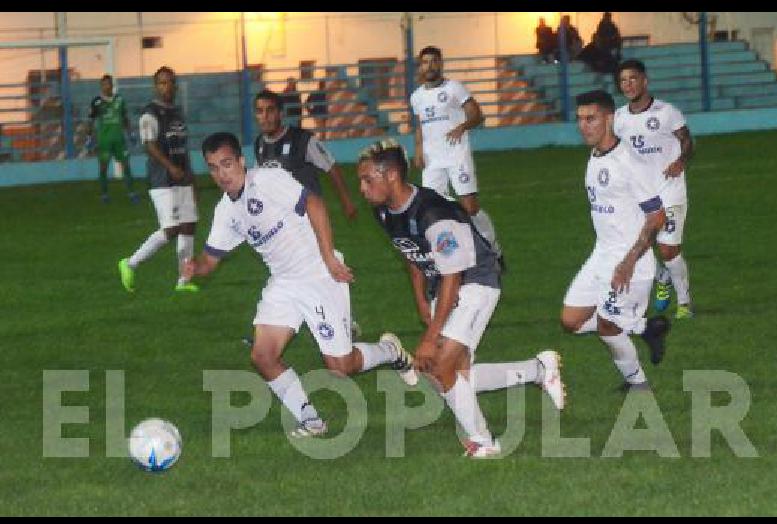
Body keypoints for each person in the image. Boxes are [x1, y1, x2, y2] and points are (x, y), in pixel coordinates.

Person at [182, 132, 417, 437]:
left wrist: (329, 259)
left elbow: (315, 205)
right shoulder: (226, 211)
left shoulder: (267, 180)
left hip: (318, 273)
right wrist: (194, 267)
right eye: (213, 167)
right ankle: (312, 420)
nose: (221, 174)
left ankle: (389, 351)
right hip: (284, 282)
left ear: (241, 161)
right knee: (262, 356)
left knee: (340, 368)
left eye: (227, 164)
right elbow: (210, 261)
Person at [357, 138, 565, 458]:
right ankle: (539, 370)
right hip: (445, 282)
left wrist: (431, 336)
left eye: (367, 180)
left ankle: (484, 442)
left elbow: (454, 276)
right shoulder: (384, 212)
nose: (362, 188)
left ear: (392, 176)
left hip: (475, 279)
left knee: (439, 365)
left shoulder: (433, 214)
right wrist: (423, 305)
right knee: (448, 376)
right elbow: (411, 258)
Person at [561, 90, 671, 391]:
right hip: (602, 253)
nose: (584, 126)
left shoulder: (630, 162)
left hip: (630, 260)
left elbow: (657, 217)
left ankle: (637, 383)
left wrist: (628, 261)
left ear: (610, 119)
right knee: (571, 321)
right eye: (580, 119)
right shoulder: (595, 156)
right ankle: (644, 327)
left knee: (608, 327)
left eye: (591, 119)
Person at [614, 59, 695, 319]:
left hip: (669, 190)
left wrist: (680, 161)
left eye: (633, 78)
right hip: (640, 196)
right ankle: (663, 276)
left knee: (669, 249)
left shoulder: (666, 112)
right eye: (623, 80)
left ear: (644, 81)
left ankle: (684, 303)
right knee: (642, 246)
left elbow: (687, 140)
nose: (628, 84)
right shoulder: (618, 119)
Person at [410, 45, 504, 267]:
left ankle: (493, 248)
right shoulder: (417, 96)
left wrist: (463, 126)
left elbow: (477, 114)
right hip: (432, 160)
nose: (430, 66)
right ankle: (450, 258)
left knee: (470, 207)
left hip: (456, 154)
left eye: (434, 61)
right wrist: (418, 150)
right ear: (421, 66)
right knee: (433, 208)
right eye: (425, 62)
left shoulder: (454, 88)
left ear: (441, 64)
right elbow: (419, 125)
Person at [117, 66, 199, 293]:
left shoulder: (177, 112)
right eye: (162, 83)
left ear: (176, 84)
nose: (167, 87)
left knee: (189, 226)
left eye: (170, 82)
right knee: (172, 228)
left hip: (182, 176)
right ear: (156, 86)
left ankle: (183, 281)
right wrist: (170, 167)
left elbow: (182, 145)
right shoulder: (149, 113)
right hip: (162, 178)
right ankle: (130, 263)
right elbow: (149, 145)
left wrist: (190, 176)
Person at [254, 89, 357, 221]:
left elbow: (331, 167)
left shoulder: (303, 139)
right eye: (260, 111)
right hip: (281, 220)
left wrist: (346, 201)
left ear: (280, 114)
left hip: (309, 217)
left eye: (270, 110)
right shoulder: (259, 144)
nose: (265, 116)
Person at [88, 74, 138, 204]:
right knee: (103, 167)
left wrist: (130, 133)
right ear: (101, 86)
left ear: (112, 85)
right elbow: (91, 121)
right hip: (104, 140)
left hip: (119, 140)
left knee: (126, 166)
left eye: (109, 84)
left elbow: (125, 118)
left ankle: (132, 193)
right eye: (104, 84)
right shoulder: (97, 102)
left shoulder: (119, 100)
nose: (107, 87)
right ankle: (104, 195)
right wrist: (89, 138)